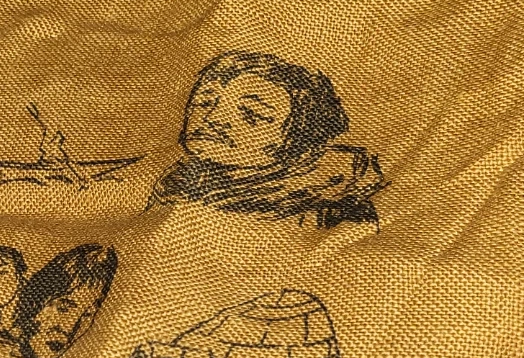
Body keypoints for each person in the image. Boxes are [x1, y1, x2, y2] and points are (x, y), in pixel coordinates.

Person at [147, 50, 384, 228]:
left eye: (252, 114)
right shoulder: (179, 183)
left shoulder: (327, 209)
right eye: (205, 102)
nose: (213, 118)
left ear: (299, 140)